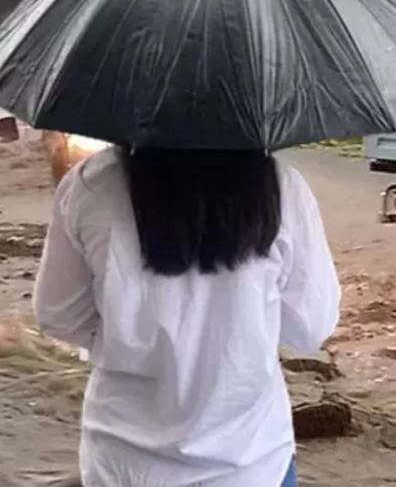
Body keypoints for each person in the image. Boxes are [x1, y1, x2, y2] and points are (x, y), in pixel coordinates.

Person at [33, 147, 340, 487]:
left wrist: (124, 334)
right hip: (250, 463)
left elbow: (59, 316)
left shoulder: (90, 184)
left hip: (123, 462)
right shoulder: (281, 187)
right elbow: (310, 328)